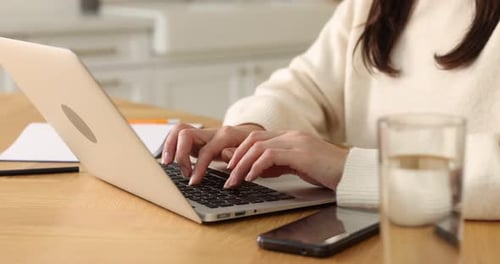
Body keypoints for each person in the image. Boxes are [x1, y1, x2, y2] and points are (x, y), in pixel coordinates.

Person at [162, 0, 500, 219]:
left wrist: (350, 167)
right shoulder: (371, 6)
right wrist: (253, 129)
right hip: (369, 229)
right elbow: (307, 85)